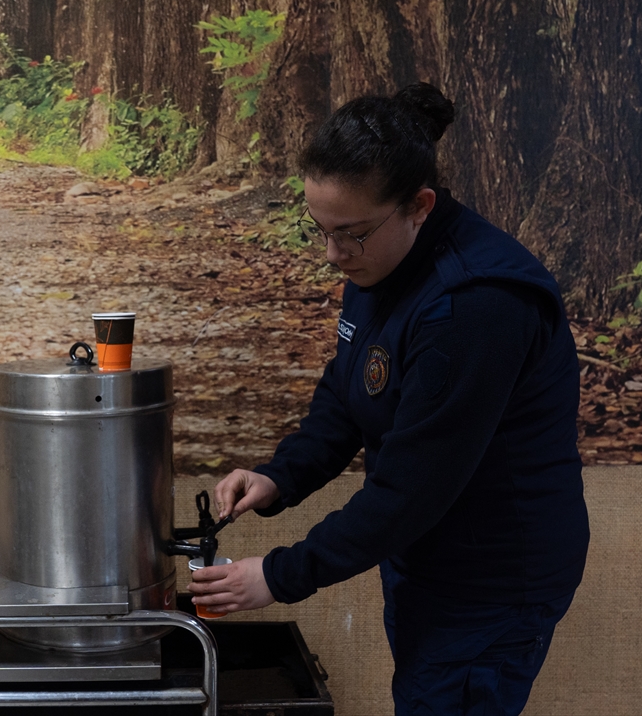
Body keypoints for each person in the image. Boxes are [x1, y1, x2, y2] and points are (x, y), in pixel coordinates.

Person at [188, 83, 590, 715]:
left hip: (490, 581)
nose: (333, 255)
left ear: (419, 206)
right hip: (428, 556)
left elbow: (412, 489)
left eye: (349, 235)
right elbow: (354, 385)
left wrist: (277, 576)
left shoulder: (476, 307)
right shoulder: (383, 258)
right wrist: (281, 476)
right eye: (321, 230)